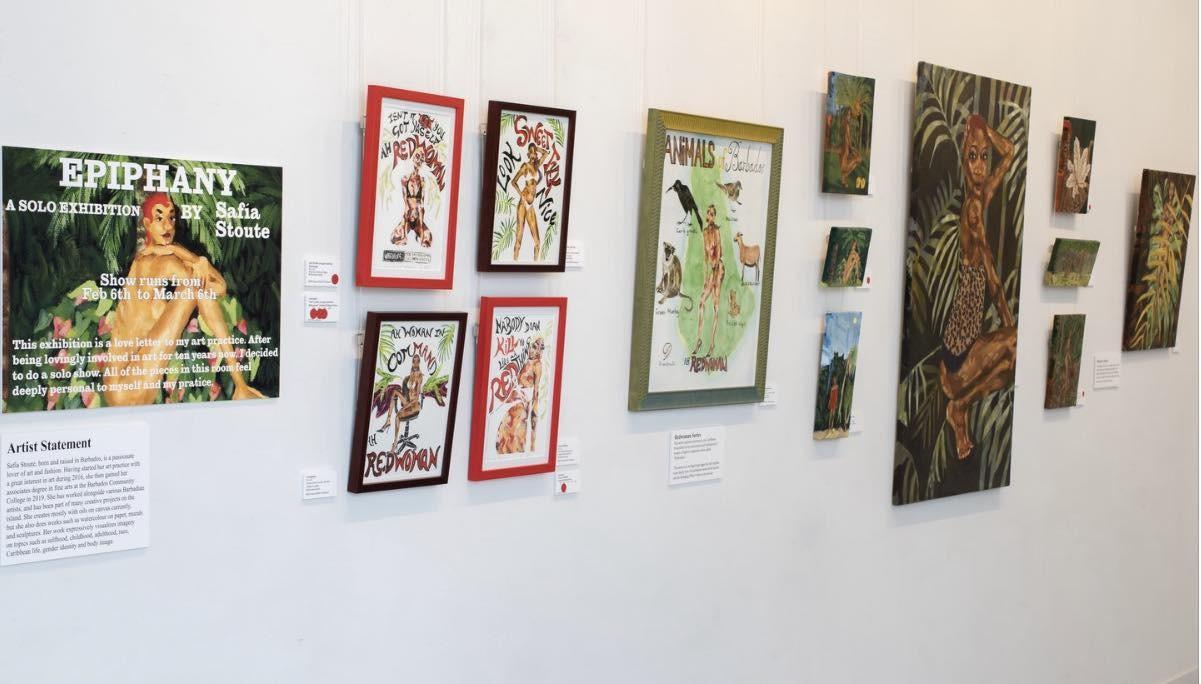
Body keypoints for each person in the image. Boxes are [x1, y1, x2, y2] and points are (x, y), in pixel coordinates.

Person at [103, 193, 263, 406]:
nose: (167, 225)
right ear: (147, 224)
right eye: (159, 218)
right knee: (197, 289)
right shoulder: (160, 262)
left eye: (171, 217)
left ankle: (240, 386)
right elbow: (219, 288)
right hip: (127, 385)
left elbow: (214, 286)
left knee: (196, 287)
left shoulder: (145, 260)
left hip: (127, 383)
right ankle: (240, 385)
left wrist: (180, 252)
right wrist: (194, 258)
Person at [938, 114, 1018, 460]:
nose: (980, 166)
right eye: (972, 156)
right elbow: (993, 278)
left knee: (1012, 356)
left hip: (963, 356)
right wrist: (1009, 328)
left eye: (984, 157)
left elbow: (1009, 152)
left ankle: (960, 409)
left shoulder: (980, 198)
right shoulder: (973, 210)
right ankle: (960, 408)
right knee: (1015, 347)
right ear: (962, 158)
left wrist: (985, 131)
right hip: (958, 362)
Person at [693, 204, 724, 356]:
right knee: (701, 302)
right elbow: (706, 257)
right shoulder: (704, 232)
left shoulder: (717, 231)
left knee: (715, 305)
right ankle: (699, 340)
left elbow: (718, 253)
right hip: (710, 270)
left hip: (718, 270)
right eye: (708, 213)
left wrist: (714, 271)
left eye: (712, 213)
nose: (710, 216)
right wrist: (706, 276)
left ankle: (711, 344)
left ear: (715, 216)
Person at [510, 144, 546, 260]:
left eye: (535, 153)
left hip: (531, 205)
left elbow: (546, 153)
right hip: (523, 204)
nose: (534, 155)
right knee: (519, 238)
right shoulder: (525, 166)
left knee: (537, 242)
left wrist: (536, 148)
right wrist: (521, 195)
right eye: (531, 153)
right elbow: (513, 182)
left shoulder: (537, 166)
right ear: (528, 154)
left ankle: (535, 264)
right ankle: (514, 262)